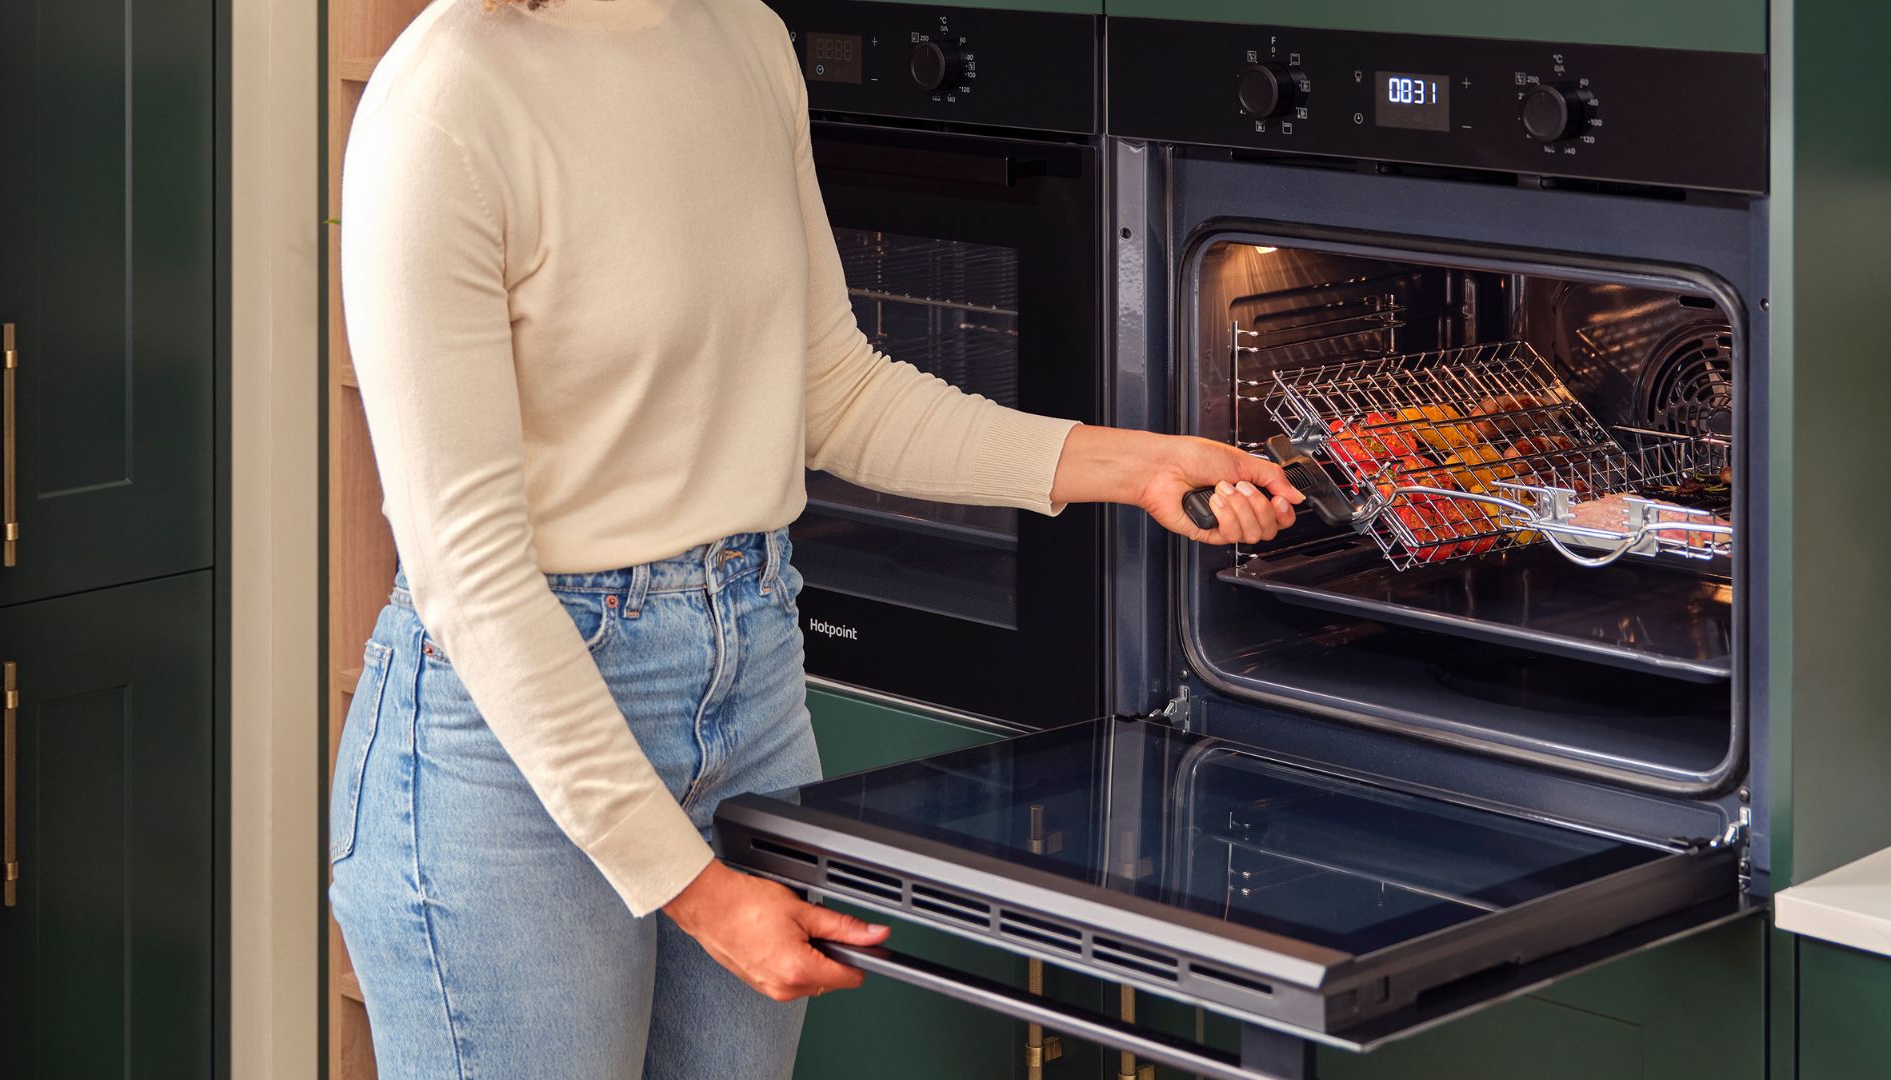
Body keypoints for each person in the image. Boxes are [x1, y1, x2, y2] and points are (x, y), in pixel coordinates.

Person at [328, 0, 1304, 1076]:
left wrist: (1133, 464)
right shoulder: (445, 102)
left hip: (746, 687)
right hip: (514, 744)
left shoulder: (742, 36)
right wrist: (695, 891)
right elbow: (468, 572)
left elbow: (833, 393)